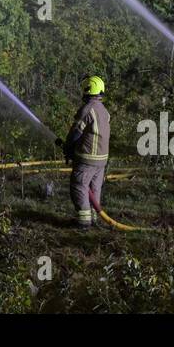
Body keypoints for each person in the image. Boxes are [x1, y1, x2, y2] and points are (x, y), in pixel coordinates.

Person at [59, 75, 110, 230]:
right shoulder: (104, 111)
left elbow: (76, 132)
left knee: (79, 186)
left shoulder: (87, 109)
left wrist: (68, 147)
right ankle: (94, 217)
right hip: (102, 160)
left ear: (88, 89)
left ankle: (84, 222)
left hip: (87, 158)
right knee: (94, 189)